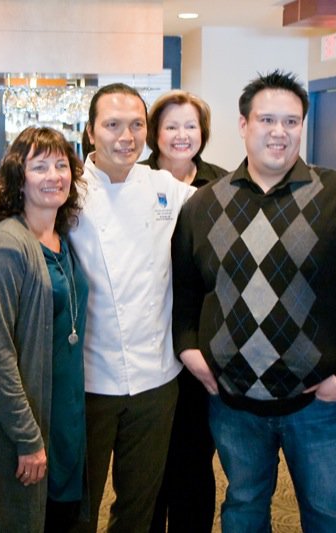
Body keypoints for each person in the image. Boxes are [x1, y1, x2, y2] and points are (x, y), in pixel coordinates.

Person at [171, 70, 336, 533]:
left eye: (291, 122)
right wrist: (189, 347)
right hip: (233, 401)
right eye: (267, 120)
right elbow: (185, 289)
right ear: (243, 125)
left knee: (329, 514)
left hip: (318, 402)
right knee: (243, 508)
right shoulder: (203, 204)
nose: (280, 132)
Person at [68, 83, 195, 533]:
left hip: (156, 378)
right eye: (113, 125)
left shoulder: (165, 187)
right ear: (90, 132)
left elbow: (222, 216)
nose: (126, 136)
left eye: (137, 125)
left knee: (139, 506)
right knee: (78, 506)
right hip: (88, 379)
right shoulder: (67, 191)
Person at [0, 126, 88, 532]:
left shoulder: (65, 237)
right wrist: (26, 436)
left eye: (61, 165)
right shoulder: (7, 244)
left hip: (67, 414)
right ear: (19, 179)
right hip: (29, 419)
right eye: (40, 167)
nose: (54, 175)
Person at [141, 89, 226, 533]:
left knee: (194, 459)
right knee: (148, 463)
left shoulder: (223, 185)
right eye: (171, 126)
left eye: (190, 126)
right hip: (147, 338)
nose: (181, 135)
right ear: (155, 133)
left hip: (199, 339)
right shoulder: (134, 181)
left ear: (203, 133)